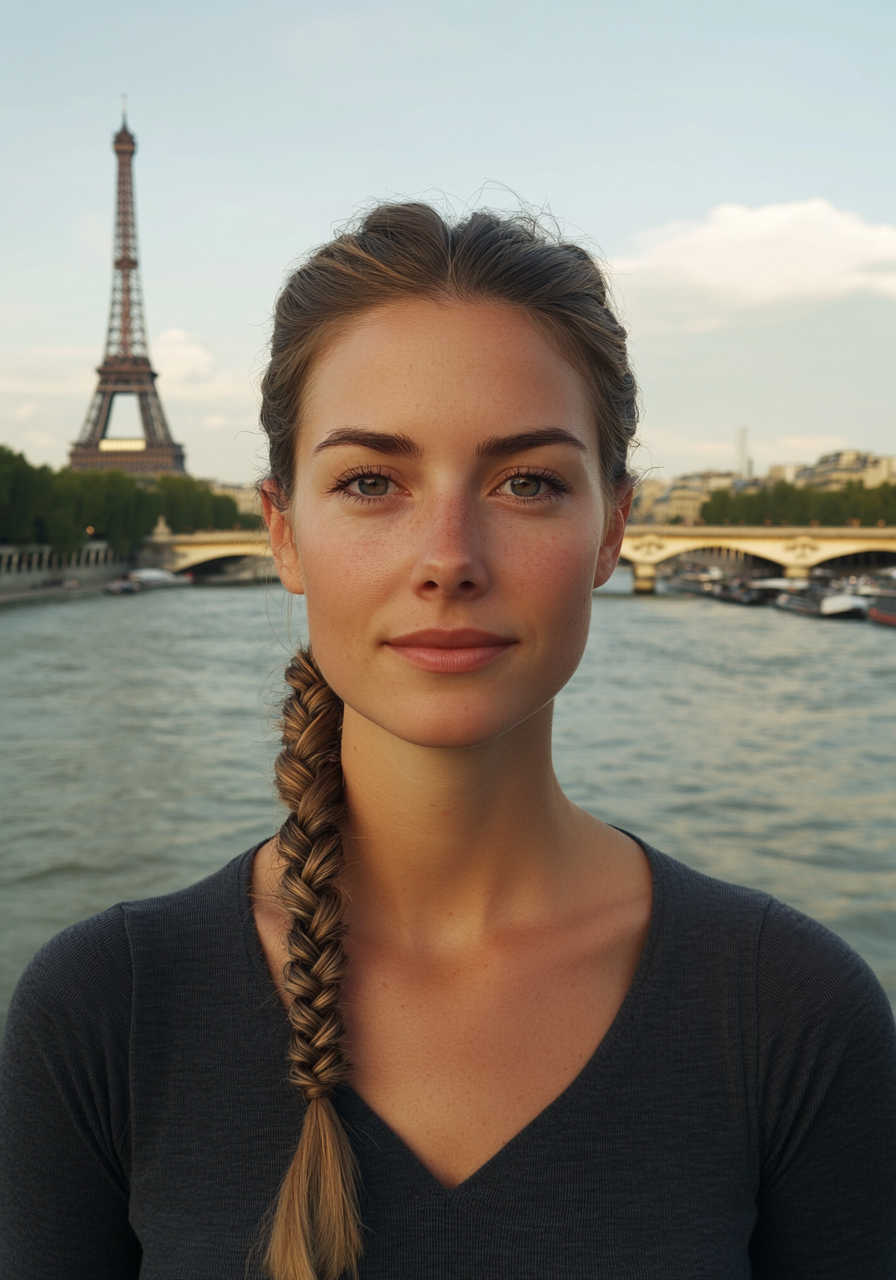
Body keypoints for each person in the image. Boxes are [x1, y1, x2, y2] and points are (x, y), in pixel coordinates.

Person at [1, 202, 895, 1280]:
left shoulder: (796, 1014)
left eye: (526, 482)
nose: (446, 558)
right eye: (371, 482)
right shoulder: (98, 1014)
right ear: (280, 531)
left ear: (612, 526)